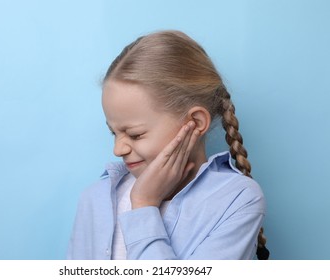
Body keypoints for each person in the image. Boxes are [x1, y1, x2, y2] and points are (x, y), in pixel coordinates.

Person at [67, 30, 269, 260]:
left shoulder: (236, 200)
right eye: (113, 132)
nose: (118, 149)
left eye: (135, 134)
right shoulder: (96, 199)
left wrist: (144, 204)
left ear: (195, 123)